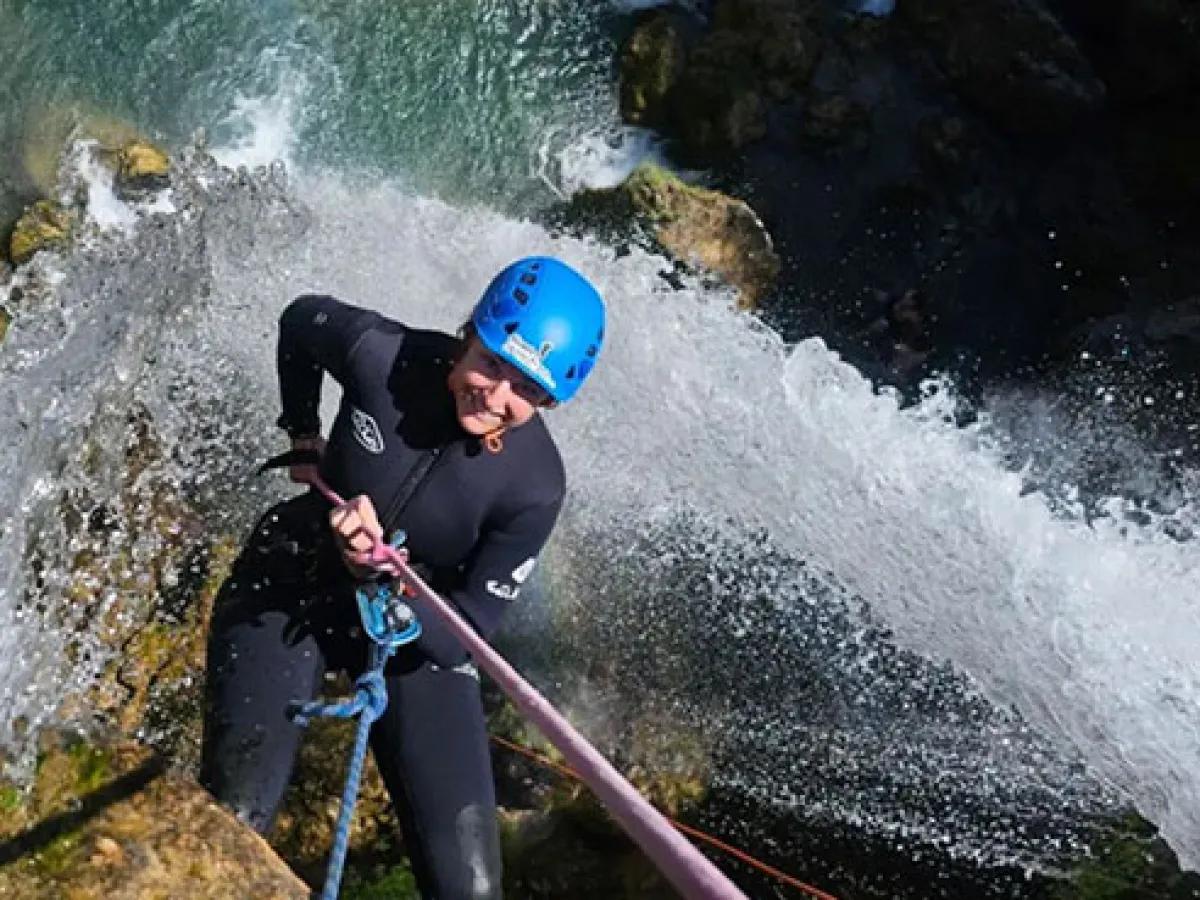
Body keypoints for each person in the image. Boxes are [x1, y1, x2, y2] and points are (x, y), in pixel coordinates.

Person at [199, 256, 606, 900]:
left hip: (412, 635)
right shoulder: (382, 355)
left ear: (548, 400)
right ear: (470, 332)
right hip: (294, 576)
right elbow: (300, 320)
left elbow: (467, 632)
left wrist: (386, 578)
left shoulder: (535, 486)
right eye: (492, 362)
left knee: (472, 892)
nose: (495, 395)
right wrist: (302, 432)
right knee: (234, 826)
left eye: (526, 389)